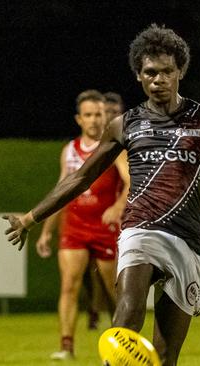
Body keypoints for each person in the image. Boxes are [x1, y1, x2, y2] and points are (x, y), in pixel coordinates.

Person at [4, 24, 200, 366]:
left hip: (186, 241)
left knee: (166, 355)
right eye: (150, 72)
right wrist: (30, 217)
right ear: (139, 76)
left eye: (166, 71)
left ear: (180, 71)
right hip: (140, 230)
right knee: (126, 312)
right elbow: (80, 178)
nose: (158, 79)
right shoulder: (124, 125)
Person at [34, 89, 130, 360]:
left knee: (114, 292)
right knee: (69, 285)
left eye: (99, 114)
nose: (94, 120)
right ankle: (66, 346)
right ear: (79, 119)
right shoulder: (70, 151)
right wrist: (46, 231)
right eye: (88, 115)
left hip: (106, 226)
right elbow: (61, 191)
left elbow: (131, 183)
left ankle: (118, 343)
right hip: (75, 225)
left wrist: (118, 206)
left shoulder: (114, 148)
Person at [81, 91, 127, 331]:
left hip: (122, 218)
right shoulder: (98, 143)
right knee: (90, 272)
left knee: (112, 276)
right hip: (92, 217)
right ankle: (94, 310)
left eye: (113, 112)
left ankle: (119, 323)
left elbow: (130, 180)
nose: (109, 116)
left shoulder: (125, 141)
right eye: (105, 112)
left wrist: (119, 205)